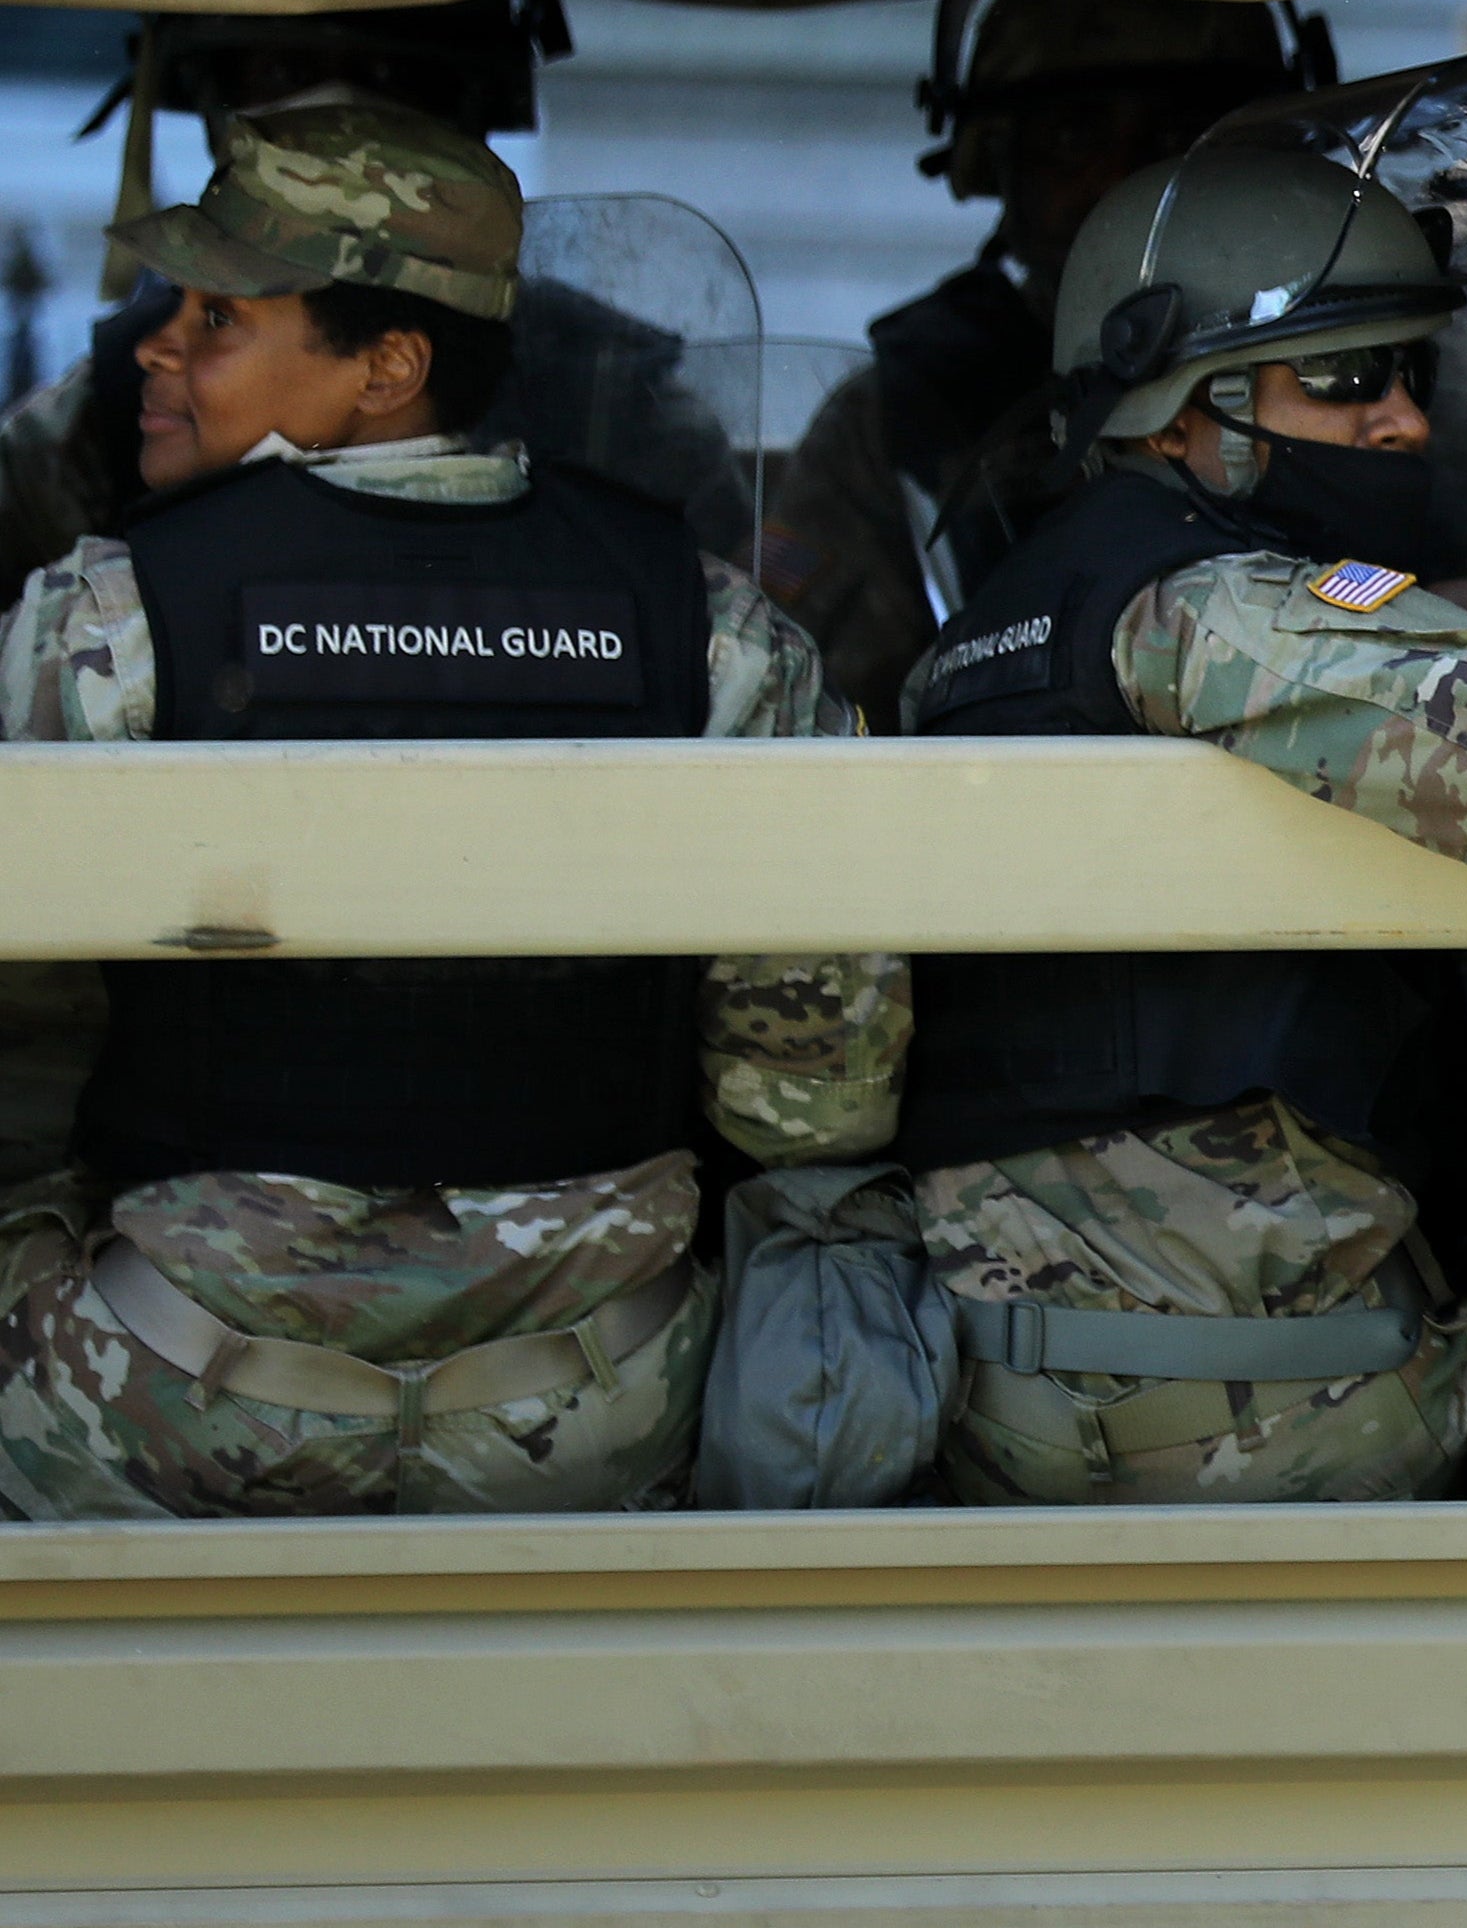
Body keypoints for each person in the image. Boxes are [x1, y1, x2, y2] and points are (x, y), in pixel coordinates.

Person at [0, 101, 904, 1520]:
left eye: (220, 318)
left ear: (390, 365)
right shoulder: (705, 625)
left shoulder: (111, 616)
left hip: (179, 1406)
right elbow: (811, 1095)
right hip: (594, 1406)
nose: (155, 347)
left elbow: (28, 1062)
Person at [879, 83, 1467, 1504]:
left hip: (1030, 1377)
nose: (1397, 423)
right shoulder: (1213, 612)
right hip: (1253, 1411)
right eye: (1340, 380)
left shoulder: (1006, 622)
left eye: (1408, 377)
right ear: (1182, 406)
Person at [761, 0, 1326, 720]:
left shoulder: (1368, 384)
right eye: (1071, 138)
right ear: (996, 163)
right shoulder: (902, 414)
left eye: (1180, 136)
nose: (1120, 179)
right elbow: (805, 711)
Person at [0, 0, 560, 604]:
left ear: (393, 368)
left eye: (391, 77)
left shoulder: (610, 389)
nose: (335, 110)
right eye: (282, 72)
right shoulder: (105, 412)